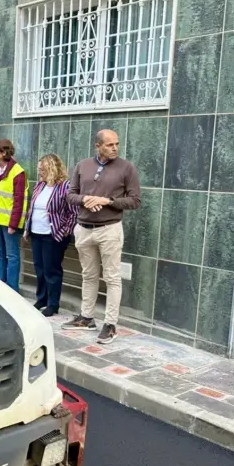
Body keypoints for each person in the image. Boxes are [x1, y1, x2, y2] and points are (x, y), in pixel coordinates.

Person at [63, 129, 141, 344]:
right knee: (88, 275)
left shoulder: (127, 168)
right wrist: (86, 199)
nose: (115, 148)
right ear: (98, 146)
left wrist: (107, 201)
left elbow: (135, 200)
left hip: (110, 229)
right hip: (83, 228)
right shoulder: (83, 165)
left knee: (112, 278)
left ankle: (110, 324)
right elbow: (70, 195)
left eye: (117, 143)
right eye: (109, 145)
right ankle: (86, 318)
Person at [24, 154, 78, 317]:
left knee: (51, 270)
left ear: (51, 168)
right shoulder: (40, 185)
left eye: (42, 168)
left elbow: (73, 212)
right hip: (36, 233)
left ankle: (53, 304)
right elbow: (32, 208)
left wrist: (66, 230)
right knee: (39, 268)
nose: (39, 171)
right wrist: (28, 228)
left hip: (53, 235)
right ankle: (41, 299)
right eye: (39, 168)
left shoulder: (65, 186)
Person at [0, 139, 26, 292]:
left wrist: (13, 224)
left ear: (4, 152)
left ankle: (12, 289)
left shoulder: (17, 172)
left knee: (12, 256)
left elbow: (19, 200)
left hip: (9, 223)